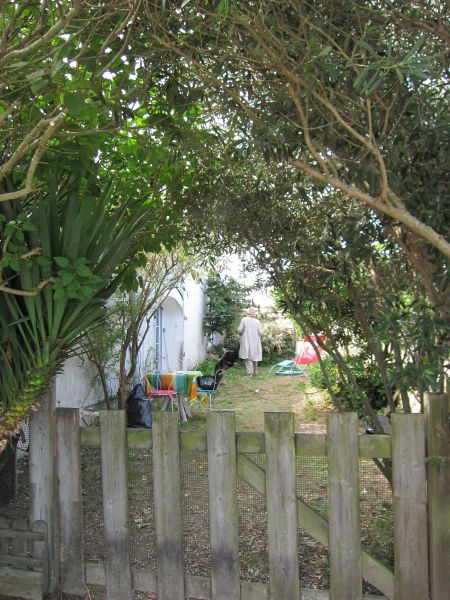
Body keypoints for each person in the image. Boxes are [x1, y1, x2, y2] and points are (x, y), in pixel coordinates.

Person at [238, 307, 262, 376]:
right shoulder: (257, 321)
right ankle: (255, 371)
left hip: (246, 340)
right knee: (254, 356)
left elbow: (240, 330)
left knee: (248, 356)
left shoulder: (244, 320)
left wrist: (240, 334)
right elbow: (260, 332)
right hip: (256, 340)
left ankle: (250, 373)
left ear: (247, 313)